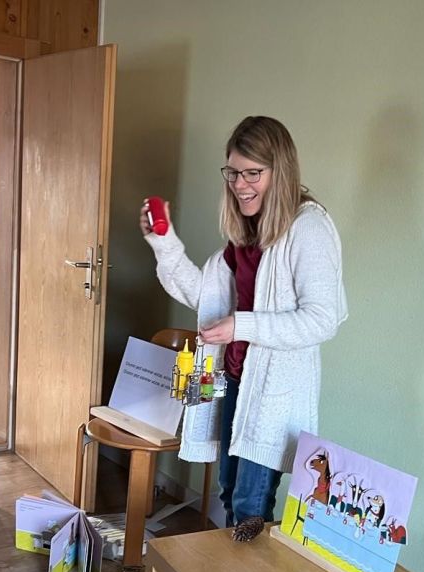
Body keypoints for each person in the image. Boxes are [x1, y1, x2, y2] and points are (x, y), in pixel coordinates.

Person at [140, 115, 348, 529]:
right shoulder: (247, 234)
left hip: (273, 396)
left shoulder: (308, 228)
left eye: (253, 173)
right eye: (233, 173)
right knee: (231, 495)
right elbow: (204, 297)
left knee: (250, 508)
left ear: (281, 172)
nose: (240, 184)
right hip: (236, 383)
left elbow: (323, 319)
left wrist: (241, 327)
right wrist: (164, 242)